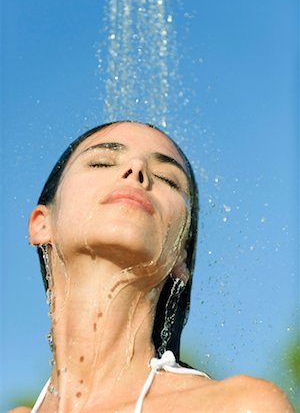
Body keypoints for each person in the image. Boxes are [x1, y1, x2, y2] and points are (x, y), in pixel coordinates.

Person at [11, 121, 294, 413]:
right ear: (41, 224)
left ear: (181, 256)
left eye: (168, 180)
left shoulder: (237, 406)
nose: (137, 169)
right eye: (101, 162)